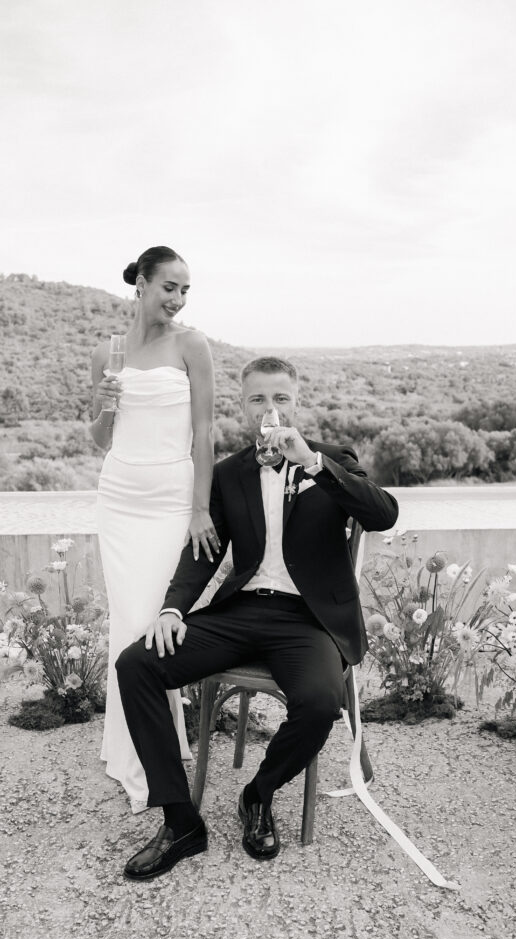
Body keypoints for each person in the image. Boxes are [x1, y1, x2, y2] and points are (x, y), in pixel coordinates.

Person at [115, 356, 400, 879]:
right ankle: (181, 822)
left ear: (297, 401)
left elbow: (383, 514)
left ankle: (259, 794)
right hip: (242, 610)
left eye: (281, 398)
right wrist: (173, 609)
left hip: (308, 620)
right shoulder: (229, 473)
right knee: (137, 664)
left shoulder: (332, 458)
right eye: (259, 399)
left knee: (319, 703)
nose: (271, 409)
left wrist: (313, 463)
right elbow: (204, 550)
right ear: (244, 407)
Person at [92, 245, 219, 815]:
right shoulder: (108, 352)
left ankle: (156, 752)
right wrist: (103, 406)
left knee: (152, 622)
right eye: (170, 286)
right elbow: (100, 439)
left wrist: (200, 508)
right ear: (141, 284)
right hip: (118, 499)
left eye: (185, 289)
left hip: (171, 501)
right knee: (127, 624)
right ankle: (134, 754)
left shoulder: (193, 345)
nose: (178, 298)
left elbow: (205, 433)